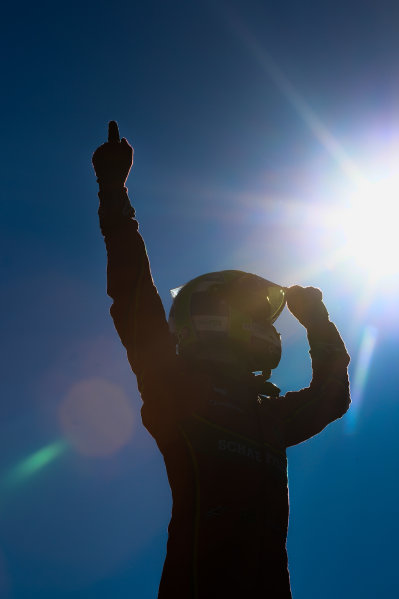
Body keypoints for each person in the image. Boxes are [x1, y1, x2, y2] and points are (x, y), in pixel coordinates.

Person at [92, 121, 350, 599]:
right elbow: (134, 297)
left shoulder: (270, 415)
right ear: (211, 317)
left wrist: (317, 321)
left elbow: (332, 397)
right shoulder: (176, 386)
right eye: (253, 317)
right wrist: (113, 192)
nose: (269, 330)